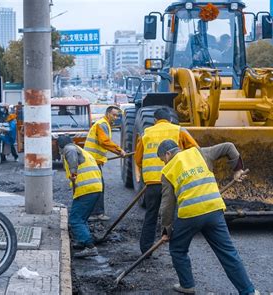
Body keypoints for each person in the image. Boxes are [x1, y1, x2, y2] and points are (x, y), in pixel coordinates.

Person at [157, 140, 256, 295]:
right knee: (228, 253)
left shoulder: (167, 171)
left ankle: (187, 285)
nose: (164, 163)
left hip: (189, 215)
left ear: (168, 154)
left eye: (163, 159)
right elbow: (229, 146)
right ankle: (248, 291)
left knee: (177, 249)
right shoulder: (200, 152)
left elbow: (167, 205)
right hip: (214, 210)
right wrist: (237, 170)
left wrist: (166, 230)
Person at [134, 108, 199, 255]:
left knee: (151, 214)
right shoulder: (179, 130)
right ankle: (177, 249)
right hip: (174, 181)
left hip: (153, 184)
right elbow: (195, 149)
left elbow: (138, 160)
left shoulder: (146, 134)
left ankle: (146, 250)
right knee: (175, 216)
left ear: (155, 120)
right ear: (170, 119)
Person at [58, 135, 103, 258]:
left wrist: (73, 172)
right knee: (82, 218)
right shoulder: (81, 150)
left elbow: (70, 152)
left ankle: (90, 247)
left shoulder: (70, 149)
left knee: (75, 219)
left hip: (86, 189)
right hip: (94, 187)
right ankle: (81, 240)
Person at [84, 106, 126, 221]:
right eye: (114, 115)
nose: (115, 117)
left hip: (93, 161)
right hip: (92, 161)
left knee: (97, 187)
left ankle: (96, 213)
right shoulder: (102, 124)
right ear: (108, 114)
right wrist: (119, 150)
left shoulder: (104, 124)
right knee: (97, 187)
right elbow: (105, 142)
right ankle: (95, 213)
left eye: (117, 115)